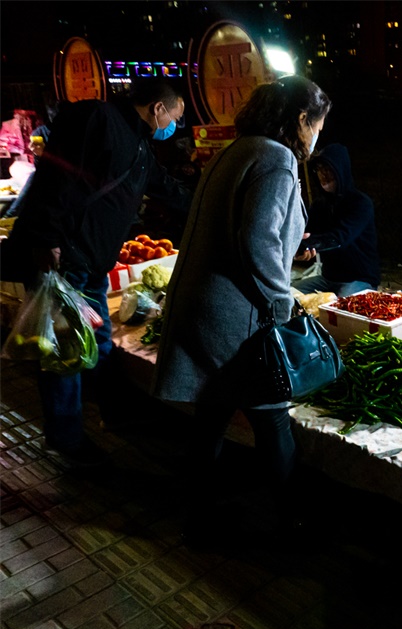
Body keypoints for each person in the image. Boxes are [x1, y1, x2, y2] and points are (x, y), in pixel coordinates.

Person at [150, 75, 331, 545]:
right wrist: (282, 302)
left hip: (201, 303)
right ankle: (294, 520)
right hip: (236, 315)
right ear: (300, 119)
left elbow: (248, 229)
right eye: (318, 124)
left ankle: (199, 515)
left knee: (211, 415)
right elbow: (257, 240)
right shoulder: (277, 157)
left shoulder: (238, 149)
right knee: (271, 416)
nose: (318, 136)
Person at [2, 77, 193, 467]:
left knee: (101, 341)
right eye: (177, 115)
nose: (177, 124)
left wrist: (209, 201)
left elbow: (163, 186)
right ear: (159, 108)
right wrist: (46, 237)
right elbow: (56, 176)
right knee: (64, 354)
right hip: (63, 258)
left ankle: (115, 411)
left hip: (92, 263)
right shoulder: (98, 119)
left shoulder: (139, 143)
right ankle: (65, 440)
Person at [291, 143, 380, 297]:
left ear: (340, 170)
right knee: (289, 295)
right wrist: (298, 247)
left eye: (328, 169)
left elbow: (339, 237)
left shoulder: (360, 203)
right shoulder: (320, 205)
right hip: (328, 278)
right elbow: (307, 231)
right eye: (319, 170)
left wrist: (309, 243)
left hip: (358, 279)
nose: (322, 175)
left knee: (340, 310)